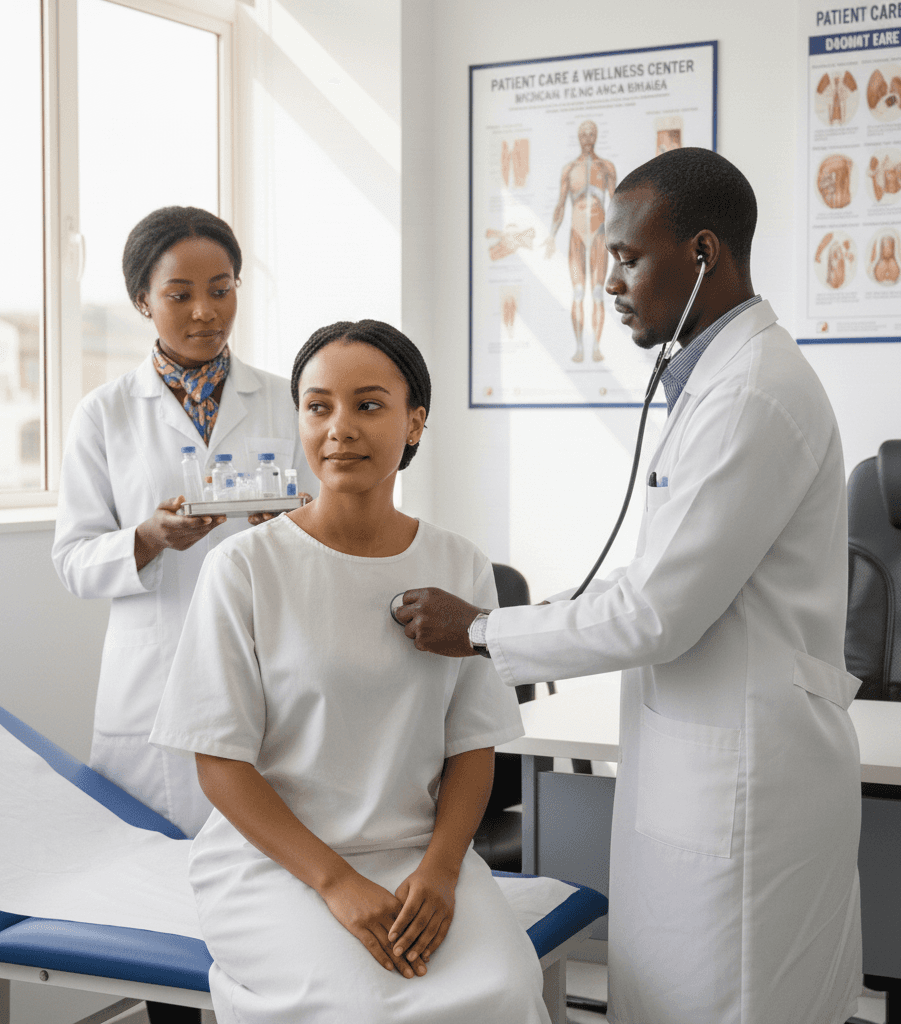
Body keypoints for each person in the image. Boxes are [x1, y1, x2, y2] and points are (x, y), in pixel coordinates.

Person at [396, 149, 863, 1024]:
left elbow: (656, 612)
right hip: (715, 764)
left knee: (736, 1001)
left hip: (748, 787)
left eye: (627, 257)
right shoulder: (717, 382)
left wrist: (486, 632)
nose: (609, 280)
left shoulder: (751, 396)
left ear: (702, 254)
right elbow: (655, 576)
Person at [149, 321, 549, 1024]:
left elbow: (473, 745)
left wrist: (444, 869)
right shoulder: (245, 569)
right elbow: (220, 765)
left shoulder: (459, 564)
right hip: (277, 864)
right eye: (318, 406)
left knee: (505, 991)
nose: (340, 429)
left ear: (414, 421)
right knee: (362, 1009)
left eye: (368, 405)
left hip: (416, 852)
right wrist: (336, 882)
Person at [53, 206, 314, 845]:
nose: (206, 311)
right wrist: (146, 539)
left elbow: (339, 524)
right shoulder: (104, 413)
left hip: (271, 663)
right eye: (181, 294)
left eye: (222, 290)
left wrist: (296, 520)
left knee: (268, 863)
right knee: (151, 867)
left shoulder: (290, 399)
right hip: (155, 671)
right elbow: (73, 560)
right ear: (143, 300)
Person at [542, 120, 617, 363]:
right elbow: (560, 204)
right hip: (576, 232)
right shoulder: (569, 168)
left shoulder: (606, 167)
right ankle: (578, 348)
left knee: (597, 293)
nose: (587, 137)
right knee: (577, 292)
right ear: (578, 136)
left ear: (596, 136)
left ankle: (595, 347)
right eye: (583, 133)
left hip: (600, 233)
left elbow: (617, 205)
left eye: (591, 133)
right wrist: (552, 235)